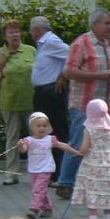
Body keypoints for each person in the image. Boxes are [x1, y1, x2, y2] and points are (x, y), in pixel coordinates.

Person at [55, 8, 110, 201]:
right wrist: (99, 76)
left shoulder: (105, 44)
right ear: (95, 24)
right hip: (83, 105)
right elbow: (68, 72)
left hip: (107, 106)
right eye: (107, 23)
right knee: (77, 142)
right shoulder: (81, 42)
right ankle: (65, 183)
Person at [66, 98, 110, 219]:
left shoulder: (89, 130)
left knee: (92, 191)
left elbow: (84, 149)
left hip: (91, 165)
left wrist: (78, 151)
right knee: (106, 189)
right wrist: (109, 154)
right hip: (107, 165)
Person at [0, 19, 37, 186]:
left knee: (36, 138)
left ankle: (37, 172)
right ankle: (11, 174)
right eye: (11, 32)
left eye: (17, 31)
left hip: (30, 101)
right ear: (5, 36)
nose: (15, 34)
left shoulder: (31, 50)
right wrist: (4, 57)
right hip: (9, 102)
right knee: (12, 138)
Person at [29, 16, 71, 174]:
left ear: (38, 30)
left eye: (32, 30)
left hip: (51, 92)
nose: (31, 34)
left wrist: (63, 77)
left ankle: (61, 171)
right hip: (43, 92)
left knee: (56, 130)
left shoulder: (51, 41)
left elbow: (72, 55)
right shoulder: (43, 43)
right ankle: (52, 170)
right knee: (45, 131)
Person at [19, 113, 63, 219]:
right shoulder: (28, 140)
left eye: (44, 125)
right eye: (38, 126)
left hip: (46, 168)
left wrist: (75, 151)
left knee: (38, 189)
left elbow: (61, 145)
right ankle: (47, 208)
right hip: (34, 169)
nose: (42, 128)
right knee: (40, 189)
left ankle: (34, 209)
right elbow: (23, 149)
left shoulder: (49, 139)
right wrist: (20, 145)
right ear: (31, 127)